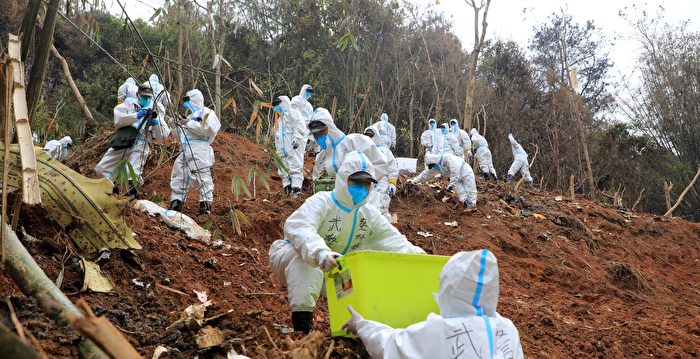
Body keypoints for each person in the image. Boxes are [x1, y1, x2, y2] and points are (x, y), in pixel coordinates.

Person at [268, 152, 425, 334]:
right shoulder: (323, 202)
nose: (362, 188)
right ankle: (302, 328)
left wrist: (417, 255)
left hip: (334, 267)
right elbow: (299, 226)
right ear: (343, 179)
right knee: (307, 265)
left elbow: (391, 239)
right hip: (291, 258)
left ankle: (347, 333)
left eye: (366, 183)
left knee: (357, 285)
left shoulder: (369, 214)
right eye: (356, 182)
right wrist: (320, 252)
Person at [342, 249, 524, 359]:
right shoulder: (507, 329)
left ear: (449, 289)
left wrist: (361, 325)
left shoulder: (442, 330)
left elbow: (391, 346)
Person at [95, 84, 170, 198]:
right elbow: (118, 121)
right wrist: (136, 116)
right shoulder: (129, 104)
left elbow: (161, 138)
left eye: (149, 97)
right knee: (102, 168)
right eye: (144, 96)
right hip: (124, 139)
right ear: (137, 95)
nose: (146, 99)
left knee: (133, 173)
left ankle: (133, 196)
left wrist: (156, 124)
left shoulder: (156, 109)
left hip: (142, 142)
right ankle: (110, 190)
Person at [169, 89, 221, 214]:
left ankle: (205, 206)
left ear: (195, 99)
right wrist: (175, 126)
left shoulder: (207, 112)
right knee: (179, 175)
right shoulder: (190, 117)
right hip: (185, 149)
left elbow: (209, 129)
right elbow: (181, 138)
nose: (186, 104)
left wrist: (188, 123)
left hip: (200, 149)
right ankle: (176, 204)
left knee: (202, 177)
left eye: (188, 100)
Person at [307, 107, 389, 182]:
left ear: (330, 126)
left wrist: (363, 183)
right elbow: (316, 181)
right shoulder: (321, 158)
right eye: (315, 134)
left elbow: (380, 164)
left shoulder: (356, 142)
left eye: (321, 131)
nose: (319, 137)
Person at [408, 153, 477, 207]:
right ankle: (466, 203)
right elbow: (425, 175)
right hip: (455, 179)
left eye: (432, 165)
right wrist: (414, 181)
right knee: (460, 192)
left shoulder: (447, 157)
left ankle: (473, 205)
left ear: (434, 161)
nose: (432, 167)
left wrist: (451, 185)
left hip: (465, 172)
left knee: (471, 189)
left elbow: (455, 170)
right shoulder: (436, 167)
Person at [272, 95, 306, 196]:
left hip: (292, 146)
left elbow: (300, 125)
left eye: (278, 104)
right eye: (275, 105)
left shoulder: (292, 113)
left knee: (295, 165)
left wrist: (297, 138)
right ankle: (287, 187)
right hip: (282, 150)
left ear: (283, 103)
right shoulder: (279, 120)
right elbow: (277, 136)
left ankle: (296, 189)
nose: (276, 107)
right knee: (283, 168)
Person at [364, 125, 399, 220]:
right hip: (367, 182)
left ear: (376, 136)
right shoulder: (363, 151)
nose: (369, 138)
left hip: (382, 182)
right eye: (367, 135)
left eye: (371, 135)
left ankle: (385, 229)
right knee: (368, 207)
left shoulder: (385, 151)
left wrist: (392, 183)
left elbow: (392, 168)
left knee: (383, 206)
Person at [291, 84, 317, 155]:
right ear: (303, 90)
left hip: (306, 130)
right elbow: (292, 113)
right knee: (293, 148)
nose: (309, 93)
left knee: (301, 149)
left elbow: (310, 118)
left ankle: (298, 165)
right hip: (296, 128)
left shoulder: (310, 106)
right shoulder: (297, 100)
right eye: (308, 91)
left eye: (310, 92)